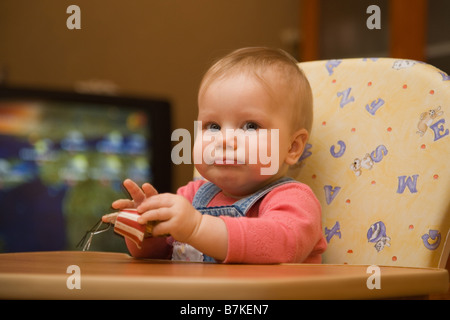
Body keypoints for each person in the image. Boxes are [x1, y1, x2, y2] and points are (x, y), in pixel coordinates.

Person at [103, 47, 327, 263]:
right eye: (212, 126)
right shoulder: (191, 195)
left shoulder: (294, 199)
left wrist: (197, 228)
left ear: (292, 147)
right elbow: (161, 257)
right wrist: (147, 229)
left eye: (250, 126)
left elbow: (279, 244)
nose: (224, 140)